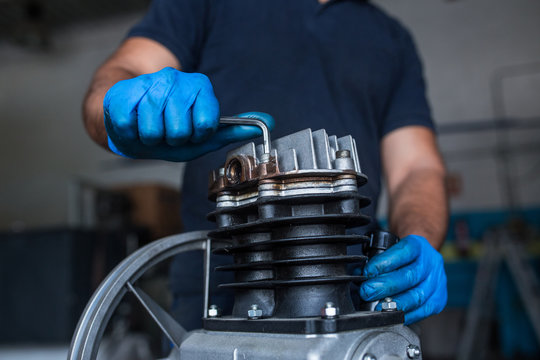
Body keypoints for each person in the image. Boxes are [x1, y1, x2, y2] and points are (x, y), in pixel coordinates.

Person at [83, 0, 448, 329]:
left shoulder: (392, 39)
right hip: (216, 288)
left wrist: (419, 240)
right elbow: (119, 75)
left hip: (355, 289)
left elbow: (417, 168)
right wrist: (121, 108)